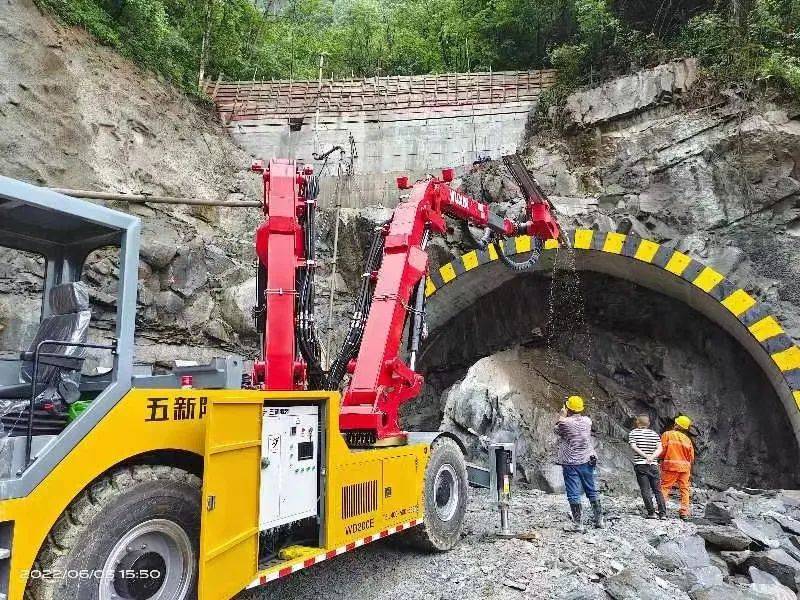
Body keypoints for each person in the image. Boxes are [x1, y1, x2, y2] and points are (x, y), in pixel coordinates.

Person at [555, 395, 604, 531]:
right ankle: (599, 520)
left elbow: (557, 429)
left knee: (573, 492)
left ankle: (578, 524)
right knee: (591, 489)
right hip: (588, 459)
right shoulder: (587, 421)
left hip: (571, 462)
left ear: (568, 408)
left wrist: (561, 416)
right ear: (581, 408)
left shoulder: (565, 423)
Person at [628, 415, 666, 519]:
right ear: (648, 423)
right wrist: (652, 457)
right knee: (657, 490)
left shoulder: (633, 433)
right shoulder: (654, 434)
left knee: (645, 490)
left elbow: (633, 446)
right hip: (653, 465)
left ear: (637, 422)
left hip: (641, 465)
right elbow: (660, 449)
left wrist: (645, 456)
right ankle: (663, 514)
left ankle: (651, 513)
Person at [660, 415, 695, 520]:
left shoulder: (667, 434)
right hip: (685, 468)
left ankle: (661, 509)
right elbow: (691, 457)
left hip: (671, 466)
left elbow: (661, 450)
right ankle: (684, 512)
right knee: (685, 489)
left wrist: (660, 459)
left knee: (665, 487)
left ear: (676, 424)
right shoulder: (688, 440)